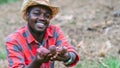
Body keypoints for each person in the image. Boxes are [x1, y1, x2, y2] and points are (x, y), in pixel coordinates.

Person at [5, 0, 80, 68]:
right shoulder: (14, 40)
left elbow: (72, 54)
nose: (42, 18)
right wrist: (37, 61)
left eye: (47, 15)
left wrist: (67, 56)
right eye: (36, 13)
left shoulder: (54, 32)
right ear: (27, 15)